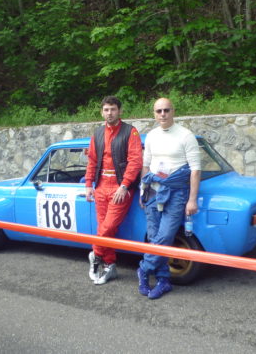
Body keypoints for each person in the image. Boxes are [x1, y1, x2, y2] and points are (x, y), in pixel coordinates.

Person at [137, 97, 201, 299]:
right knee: (155, 237)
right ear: (154, 114)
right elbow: (146, 166)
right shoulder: (152, 136)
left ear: (173, 111)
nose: (162, 114)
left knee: (164, 237)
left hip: (176, 193)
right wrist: (142, 191)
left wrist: (191, 200)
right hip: (153, 192)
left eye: (166, 110)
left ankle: (143, 269)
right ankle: (164, 281)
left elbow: (195, 170)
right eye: (158, 111)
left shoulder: (186, 135)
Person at [85, 96, 143, 285]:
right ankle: (110, 265)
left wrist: (125, 185)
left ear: (120, 111)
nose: (109, 113)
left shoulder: (130, 132)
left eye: (113, 109)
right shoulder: (98, 133)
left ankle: (95, 254)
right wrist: (88, 186)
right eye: (106, 110)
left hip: (120, 188)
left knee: (108, 227)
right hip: (101, 186)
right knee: (105, 228)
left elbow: (136, 161)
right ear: (102, 112)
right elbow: (92, 161)